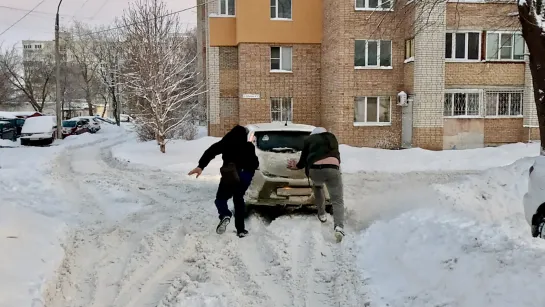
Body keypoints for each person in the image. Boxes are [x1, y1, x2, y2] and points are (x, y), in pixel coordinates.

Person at [188, 125, 259, 238]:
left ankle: (225, 214)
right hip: (245, 176)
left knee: (220, 199)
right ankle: (240, 230)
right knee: (238, 200)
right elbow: (255, 164)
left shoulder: (226, 143)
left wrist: (201, 166)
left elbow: (210, 152)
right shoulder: (248, 146)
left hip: (230, 175)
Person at [287, 127, 345, 242]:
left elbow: (302, 161)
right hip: (332, 168)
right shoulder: (332, 138)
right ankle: (339, 227)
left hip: (315, 169)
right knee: (337, 200)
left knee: (318, 187)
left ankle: (322, 214)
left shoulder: (309, 140)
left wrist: (296, 166)